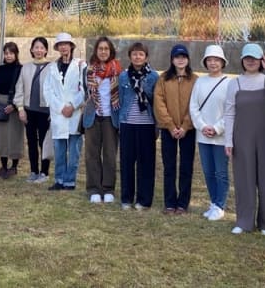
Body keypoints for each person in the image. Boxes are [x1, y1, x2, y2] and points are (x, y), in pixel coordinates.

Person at [224, 43, 265, 235]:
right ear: (242, 60)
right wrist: (228, 141)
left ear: (261, 60)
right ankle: (244, 221)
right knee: (244, 178)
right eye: (247, 58)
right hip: (242, 137)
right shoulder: (235, 83)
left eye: (255, 58)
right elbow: (229, 113)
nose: (251, 61)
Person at [190, 44, 233, 222]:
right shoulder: (200, 81)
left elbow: (231, 110)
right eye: (210, 60)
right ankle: (214, 203)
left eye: (216, 60)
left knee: (221, 172)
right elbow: (193, 107)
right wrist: (202, 126)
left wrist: (217, 128)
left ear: (222, 62)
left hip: (221, 136)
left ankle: (220, 205)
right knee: (208, 171)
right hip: (203, 135)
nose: (213, 63)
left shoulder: (229, 83)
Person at [154, 44, 197, 214]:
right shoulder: (163, 79)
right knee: (169, 166)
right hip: (168, 129)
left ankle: (183, 203)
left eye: (183, 57)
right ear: (172, 59)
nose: (180, 60)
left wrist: (185, 126)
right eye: (177, 57)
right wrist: (171, 126)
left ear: (187, 59)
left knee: (186, 167)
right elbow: (159, 103)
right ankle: (170, 202)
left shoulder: (194, 80)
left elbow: (196, 104)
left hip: (188, 129)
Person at [118, 42, 158, 210]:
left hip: (147, 124)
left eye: (141, 54)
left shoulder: (154, 76)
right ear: (130, 56)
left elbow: (157, 101)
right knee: (127, 162)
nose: (137, 57)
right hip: (127, 123)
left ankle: (144, 199)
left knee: (146, 163)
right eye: (134, 54)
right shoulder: (123, 76)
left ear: (146, 57)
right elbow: (120, 99)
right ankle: (126, 198)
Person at [43, 32, 85, 191]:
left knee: (74, 152)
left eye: (66, 44)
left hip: (74, 114)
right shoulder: (52, 67)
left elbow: (84, 89)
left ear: (71, 46)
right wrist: (61, 108)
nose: (63, 47)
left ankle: (70, 181)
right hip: (59, 115)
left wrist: (72, 106)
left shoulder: (81, 65)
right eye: (61, 45)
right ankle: (59, 179)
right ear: (57, 48)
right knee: (59, 151)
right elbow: (47, 90)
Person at [82, 36, 121, 203]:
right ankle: (94, 189)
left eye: (106, 49)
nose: (103, 51)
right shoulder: (88, 70)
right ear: (96, 51)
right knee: (92, 154)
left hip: (110, 117)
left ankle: (108, 188)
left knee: (110, 154)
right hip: (93, 116)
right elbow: (83, 92)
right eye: (100, 49)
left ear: (110, 50)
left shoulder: (118, 71)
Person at [15, 36, 51, 183]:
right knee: (31, 142)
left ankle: (44, 172)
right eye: (36, 47)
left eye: (42, 47)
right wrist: (20, 109)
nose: (39, 50)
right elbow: (19, 89)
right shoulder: (25, 68)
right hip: (29, 111)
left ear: (46, 50)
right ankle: (33, 171)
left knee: (44, 142)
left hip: (45, 111)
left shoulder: (51, 67)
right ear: (31, 49)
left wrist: (53, 110)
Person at [0, 42, 24, 179]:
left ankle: (14, 167)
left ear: (16, 54)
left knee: (15, 136)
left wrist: (15, 105)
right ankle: (3, 167)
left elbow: (23, 89)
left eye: (11, 53)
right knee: (1, 137)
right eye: (6, 53)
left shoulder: (21, 69)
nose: (9, 56)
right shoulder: (0, 69)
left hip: (15, 105)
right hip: (0, 104)